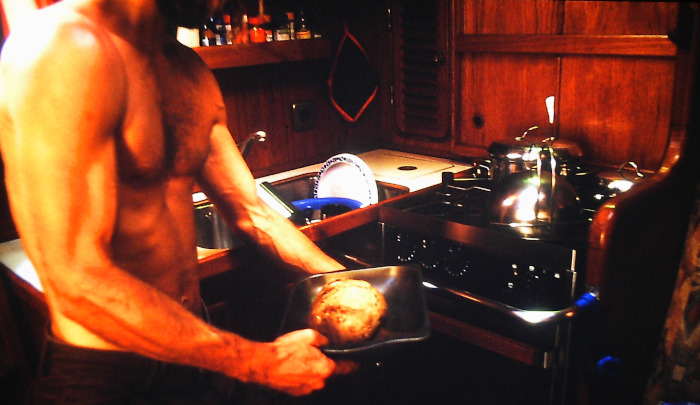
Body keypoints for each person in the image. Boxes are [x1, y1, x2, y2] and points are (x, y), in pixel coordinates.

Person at [0, 0, 350, 402]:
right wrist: (258, 362)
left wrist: (352, 282)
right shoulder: (58, 50)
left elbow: (254, 215)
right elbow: (75, 278)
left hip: (196, 351)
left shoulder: (187, 70)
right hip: (108, 375)